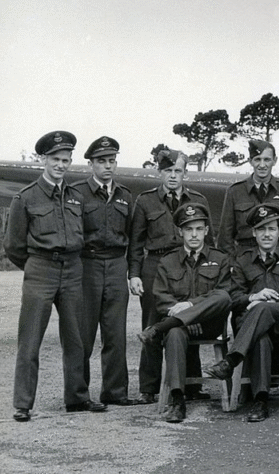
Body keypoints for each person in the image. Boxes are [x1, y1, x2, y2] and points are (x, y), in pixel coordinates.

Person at [5, 131, 105, 422]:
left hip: (73, 270)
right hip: (41, 270)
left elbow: (83, 234)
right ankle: (23, 404)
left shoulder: (76, 197)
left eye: (66, 160)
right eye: (55, 159)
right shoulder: (25, 197)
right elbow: (13, 245)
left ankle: (77, 398)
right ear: (43, 160)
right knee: (30, 339)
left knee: (76, 338)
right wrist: (37, 266)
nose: (61, 165)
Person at [202, 204, 279, 422]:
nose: (267, 234)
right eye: (261, 229)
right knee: (261, 337)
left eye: (271, 229)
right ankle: (260, 400)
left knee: (263, 308)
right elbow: (233, 297)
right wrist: (253, 297)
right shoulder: (243, 259)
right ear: (253, 233)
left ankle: (232, 359)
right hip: (250, 324)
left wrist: (270, 300)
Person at [128, 149, 211, 404]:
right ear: (159, 172)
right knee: (153, 324)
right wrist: (134, 274)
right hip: (155, 265)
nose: (173, 176)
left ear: (185, 173)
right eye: (168, 171)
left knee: (188, 319)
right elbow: (136, 242)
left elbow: (209, 240)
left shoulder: (197, 199)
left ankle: (192, 384)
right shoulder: (145, 201)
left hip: (188, 264)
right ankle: (148, 387)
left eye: (178, 171)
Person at [137, 203, 232, 423]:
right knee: (174, 333)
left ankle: (158, 328)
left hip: (209, 324)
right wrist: (186, 320)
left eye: (199, 229)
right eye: (189, 229)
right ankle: (178, 399)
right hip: (179, 326)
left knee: (223, 296)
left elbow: (224, 294)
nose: (194, 235)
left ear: (206, 230)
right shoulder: (168, 260)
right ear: (180, 232)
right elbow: (161, 298)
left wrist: (190, 306)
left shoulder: (220, 258)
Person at [71, 136, 139, 407]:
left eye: (112, 161)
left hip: (116, 265)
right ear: (91, 164)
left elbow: (134, 239)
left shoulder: (125, 195)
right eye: (101, 161)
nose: (108, 166)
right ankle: (77, 396)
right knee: (83, 334)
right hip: (87, 265)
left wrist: (132, 272)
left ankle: (115, 392)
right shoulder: (77, 193)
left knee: (115, 333)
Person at [218, 139, 279, 251]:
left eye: (267, 159)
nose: (262, 165)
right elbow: (225, 236)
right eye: (257, 159)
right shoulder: (235, 191)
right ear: (250, 161)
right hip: (245, 254)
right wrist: (233, 260)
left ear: (275, 161)